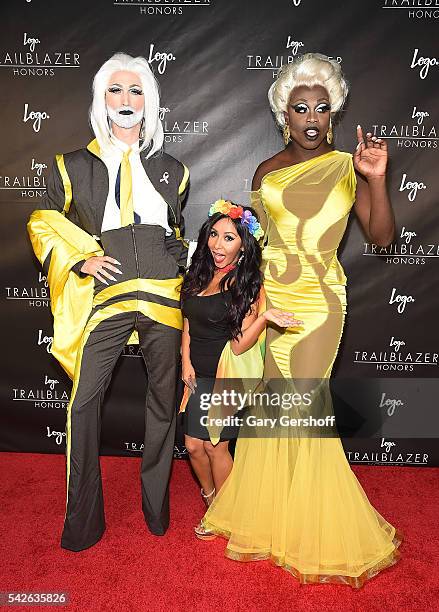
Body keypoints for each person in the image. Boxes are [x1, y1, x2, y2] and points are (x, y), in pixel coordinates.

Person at [201, 53, 402, 587]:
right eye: (299, 108)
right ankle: (274, 520)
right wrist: (253, 308)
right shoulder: (265, 173)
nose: (310, 117)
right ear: (282, 114)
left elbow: (382, 238)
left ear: (332, 113)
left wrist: (376, 179)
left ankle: (316, 530)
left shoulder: (347, 167)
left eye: (320, 107)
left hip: (319, 307)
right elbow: (257, 249)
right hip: (275, 308)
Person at [28, 53, 189, 551]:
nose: (126, 100)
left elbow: (177, 232)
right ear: (102, 99)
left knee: (164, 404)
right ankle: (83, 521)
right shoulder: (72, 166)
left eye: (136, 90)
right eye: (116, 90)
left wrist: (177, 256)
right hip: (108, 292)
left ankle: (156, 508)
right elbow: (42, 223)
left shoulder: (173, 170)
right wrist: (82, 259)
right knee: (84, 401)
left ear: (150, 103)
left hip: (164, 295)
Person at [179, 200, 300, 539]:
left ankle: (225, 514)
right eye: (214, 235)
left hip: (224, 378)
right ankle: (212, 500)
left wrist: (262, 319)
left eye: (229, 238)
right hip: (195, 375)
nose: (218, 244)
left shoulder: (246, 285)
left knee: (216, 447)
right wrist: (185, 361)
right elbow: (187, 323)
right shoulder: (198, 274)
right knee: (192, 445)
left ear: (244, 245)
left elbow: (238, 345)